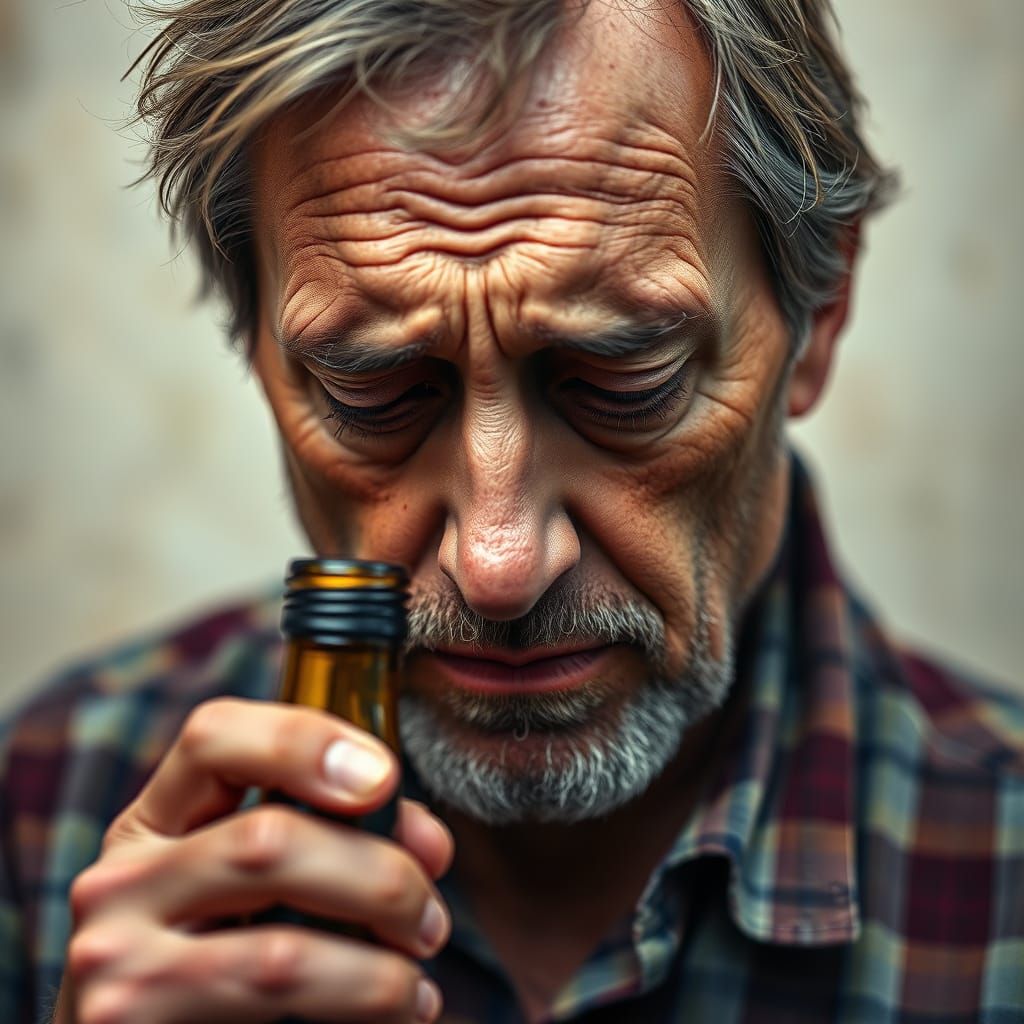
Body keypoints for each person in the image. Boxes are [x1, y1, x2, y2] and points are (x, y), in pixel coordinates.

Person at [2, 0, 1022, 1021]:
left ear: (821, 313)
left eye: (624, 381)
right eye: (374, 394)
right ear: (254, 346)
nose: (497, 564)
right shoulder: (48, 814)